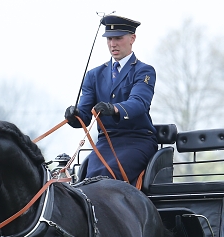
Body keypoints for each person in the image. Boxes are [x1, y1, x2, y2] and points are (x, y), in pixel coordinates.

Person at [64, 14, 157, 184]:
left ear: (132, 38)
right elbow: (84, 116)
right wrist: (73, 116)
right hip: (106, 142)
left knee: (107, 175)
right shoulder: (94, 75)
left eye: (118, 38)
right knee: (88, 178)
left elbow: (139, 103)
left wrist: (114, 109)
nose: (112, 44)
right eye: (109, 39)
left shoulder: (144, 71)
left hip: (137, 140)